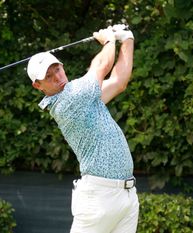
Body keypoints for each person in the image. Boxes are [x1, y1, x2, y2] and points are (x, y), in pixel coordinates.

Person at [27, 25, 138, 233]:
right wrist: (108, 40)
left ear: (62, 65)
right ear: (38, 86)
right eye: (48, 77)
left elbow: (118, 81)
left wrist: (127, 38)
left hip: (127, 196)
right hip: (98, 198)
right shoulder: (67, 100)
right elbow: (101, 66)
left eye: (57, 69)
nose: (57, 78)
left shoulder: (85, 97)